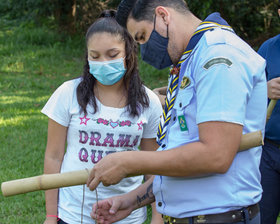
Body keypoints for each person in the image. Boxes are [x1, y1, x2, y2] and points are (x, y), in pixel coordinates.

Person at [86, 1, 268, 224]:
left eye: (142, 36)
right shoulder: (190, 60)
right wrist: (132, 200)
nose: (144, 49)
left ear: (163, 16)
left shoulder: (218, 57)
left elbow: (215, 155)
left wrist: (130, 161)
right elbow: (182, 154)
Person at [42, 10, 163, 224]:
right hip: (73, 216)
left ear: (128, 52)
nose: (103, 63)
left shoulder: (149, 102)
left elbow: (154, 164)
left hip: (129, 217)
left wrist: (157, 216)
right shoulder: (67, 94)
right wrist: (51, 216)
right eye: (95, 56)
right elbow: (53, 157)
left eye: (112, 54)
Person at [257, 2, 280, 223]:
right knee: (264, 216)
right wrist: (264, 90)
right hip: (269, 151)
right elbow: (244, 93)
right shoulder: (267, 49)